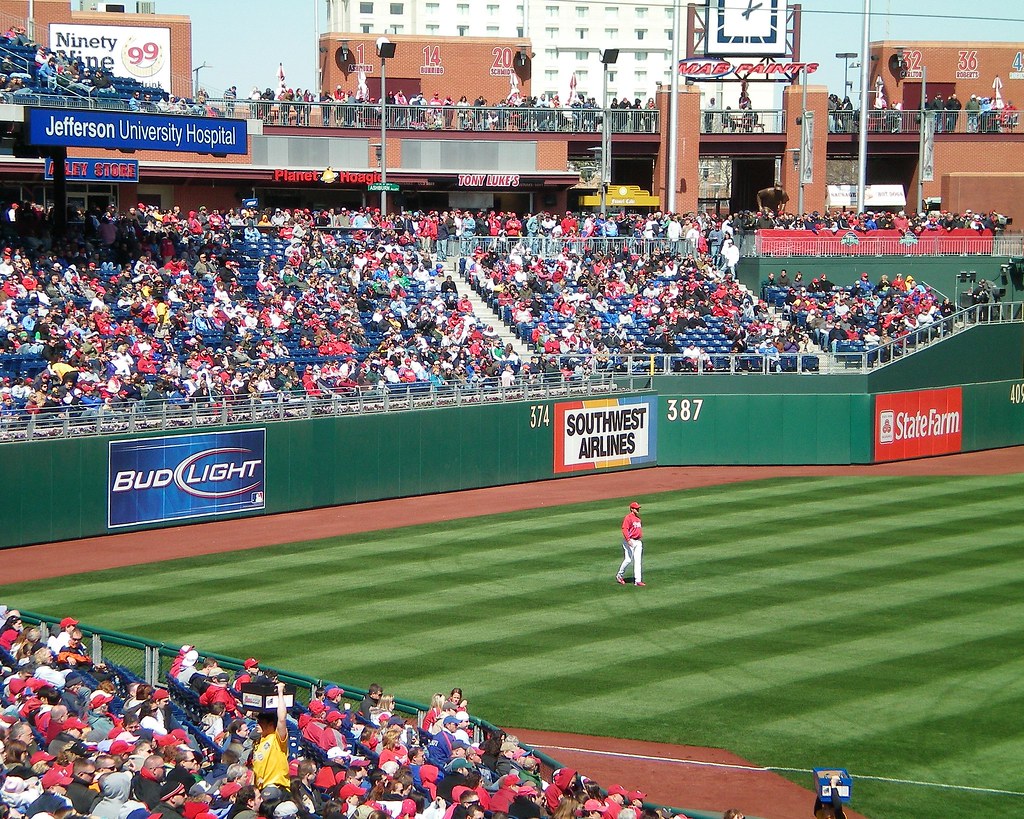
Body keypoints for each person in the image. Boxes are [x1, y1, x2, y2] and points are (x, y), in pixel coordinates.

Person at [251, 681, 290, 793]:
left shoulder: (277, 739)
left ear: (271, 725)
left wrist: (280, 693)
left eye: (261, 723)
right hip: (260, 788)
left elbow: (282, 719)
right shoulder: (259, 741)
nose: (257, 725)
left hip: (275, 787)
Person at [616, 501, 645, 587]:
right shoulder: (628, 518)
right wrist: (628, 540)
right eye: (636, 508)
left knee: (638, 561)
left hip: (638, 542)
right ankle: (619, 576)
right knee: (628, 559)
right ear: (631, 509)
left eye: (638, 508)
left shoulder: (638, 519)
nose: (638, 509)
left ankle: (638, 580)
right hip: (629, 541)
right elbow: (624, 529)